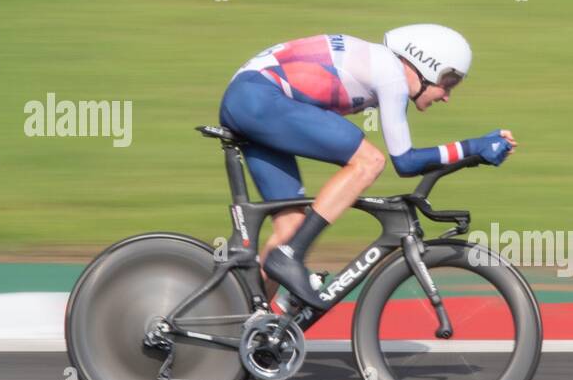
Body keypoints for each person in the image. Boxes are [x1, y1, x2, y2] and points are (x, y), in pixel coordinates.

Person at [218, 25, 515, 314]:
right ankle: (290, 256)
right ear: (427, 64)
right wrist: (473, 147)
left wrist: (472, 152)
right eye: (448, 84)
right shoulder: (391, 76)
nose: (447, 96)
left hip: (253, 99)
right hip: (258, 98)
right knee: (369, 161)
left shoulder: (381, 67)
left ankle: (246, 325)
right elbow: (405, 161)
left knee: (291, 228)